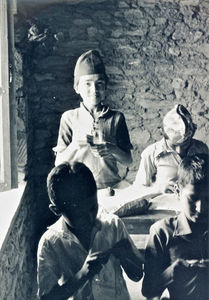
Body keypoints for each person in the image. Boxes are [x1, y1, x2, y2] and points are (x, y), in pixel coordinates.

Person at [37, 161, 143, 300]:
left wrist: (127, 255)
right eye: (78, 214)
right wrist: (81, 275)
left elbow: (137, 275)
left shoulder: (113, 225)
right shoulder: (50, 243)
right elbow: (46, 298)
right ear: (56, 210)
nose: (89, 218)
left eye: (93, 207)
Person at [53, 49, 133, 191]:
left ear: (105, 86)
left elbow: (128, 160)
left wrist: (111, 148)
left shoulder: (116, 118)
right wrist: (76, 145)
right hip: (80, 189)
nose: (94, 89)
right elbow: (58, 162)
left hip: (111, 187)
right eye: (87, 84)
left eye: (99, 83)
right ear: (77, 87)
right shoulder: (69, 118)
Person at [142, 153, 209, 300]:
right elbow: (148, 290)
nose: (201, 208)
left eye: (208, 199)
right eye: (192, 199)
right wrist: (171, 272)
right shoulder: (162, 232)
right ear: (178, 192)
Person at [134, 104, 208, 195]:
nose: (180, 150)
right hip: (163, 206)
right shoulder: (151, 153)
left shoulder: (201, 148)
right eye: (174, 145)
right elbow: (137, 189)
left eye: (185, 144)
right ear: (164, 135)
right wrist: (159, 189)